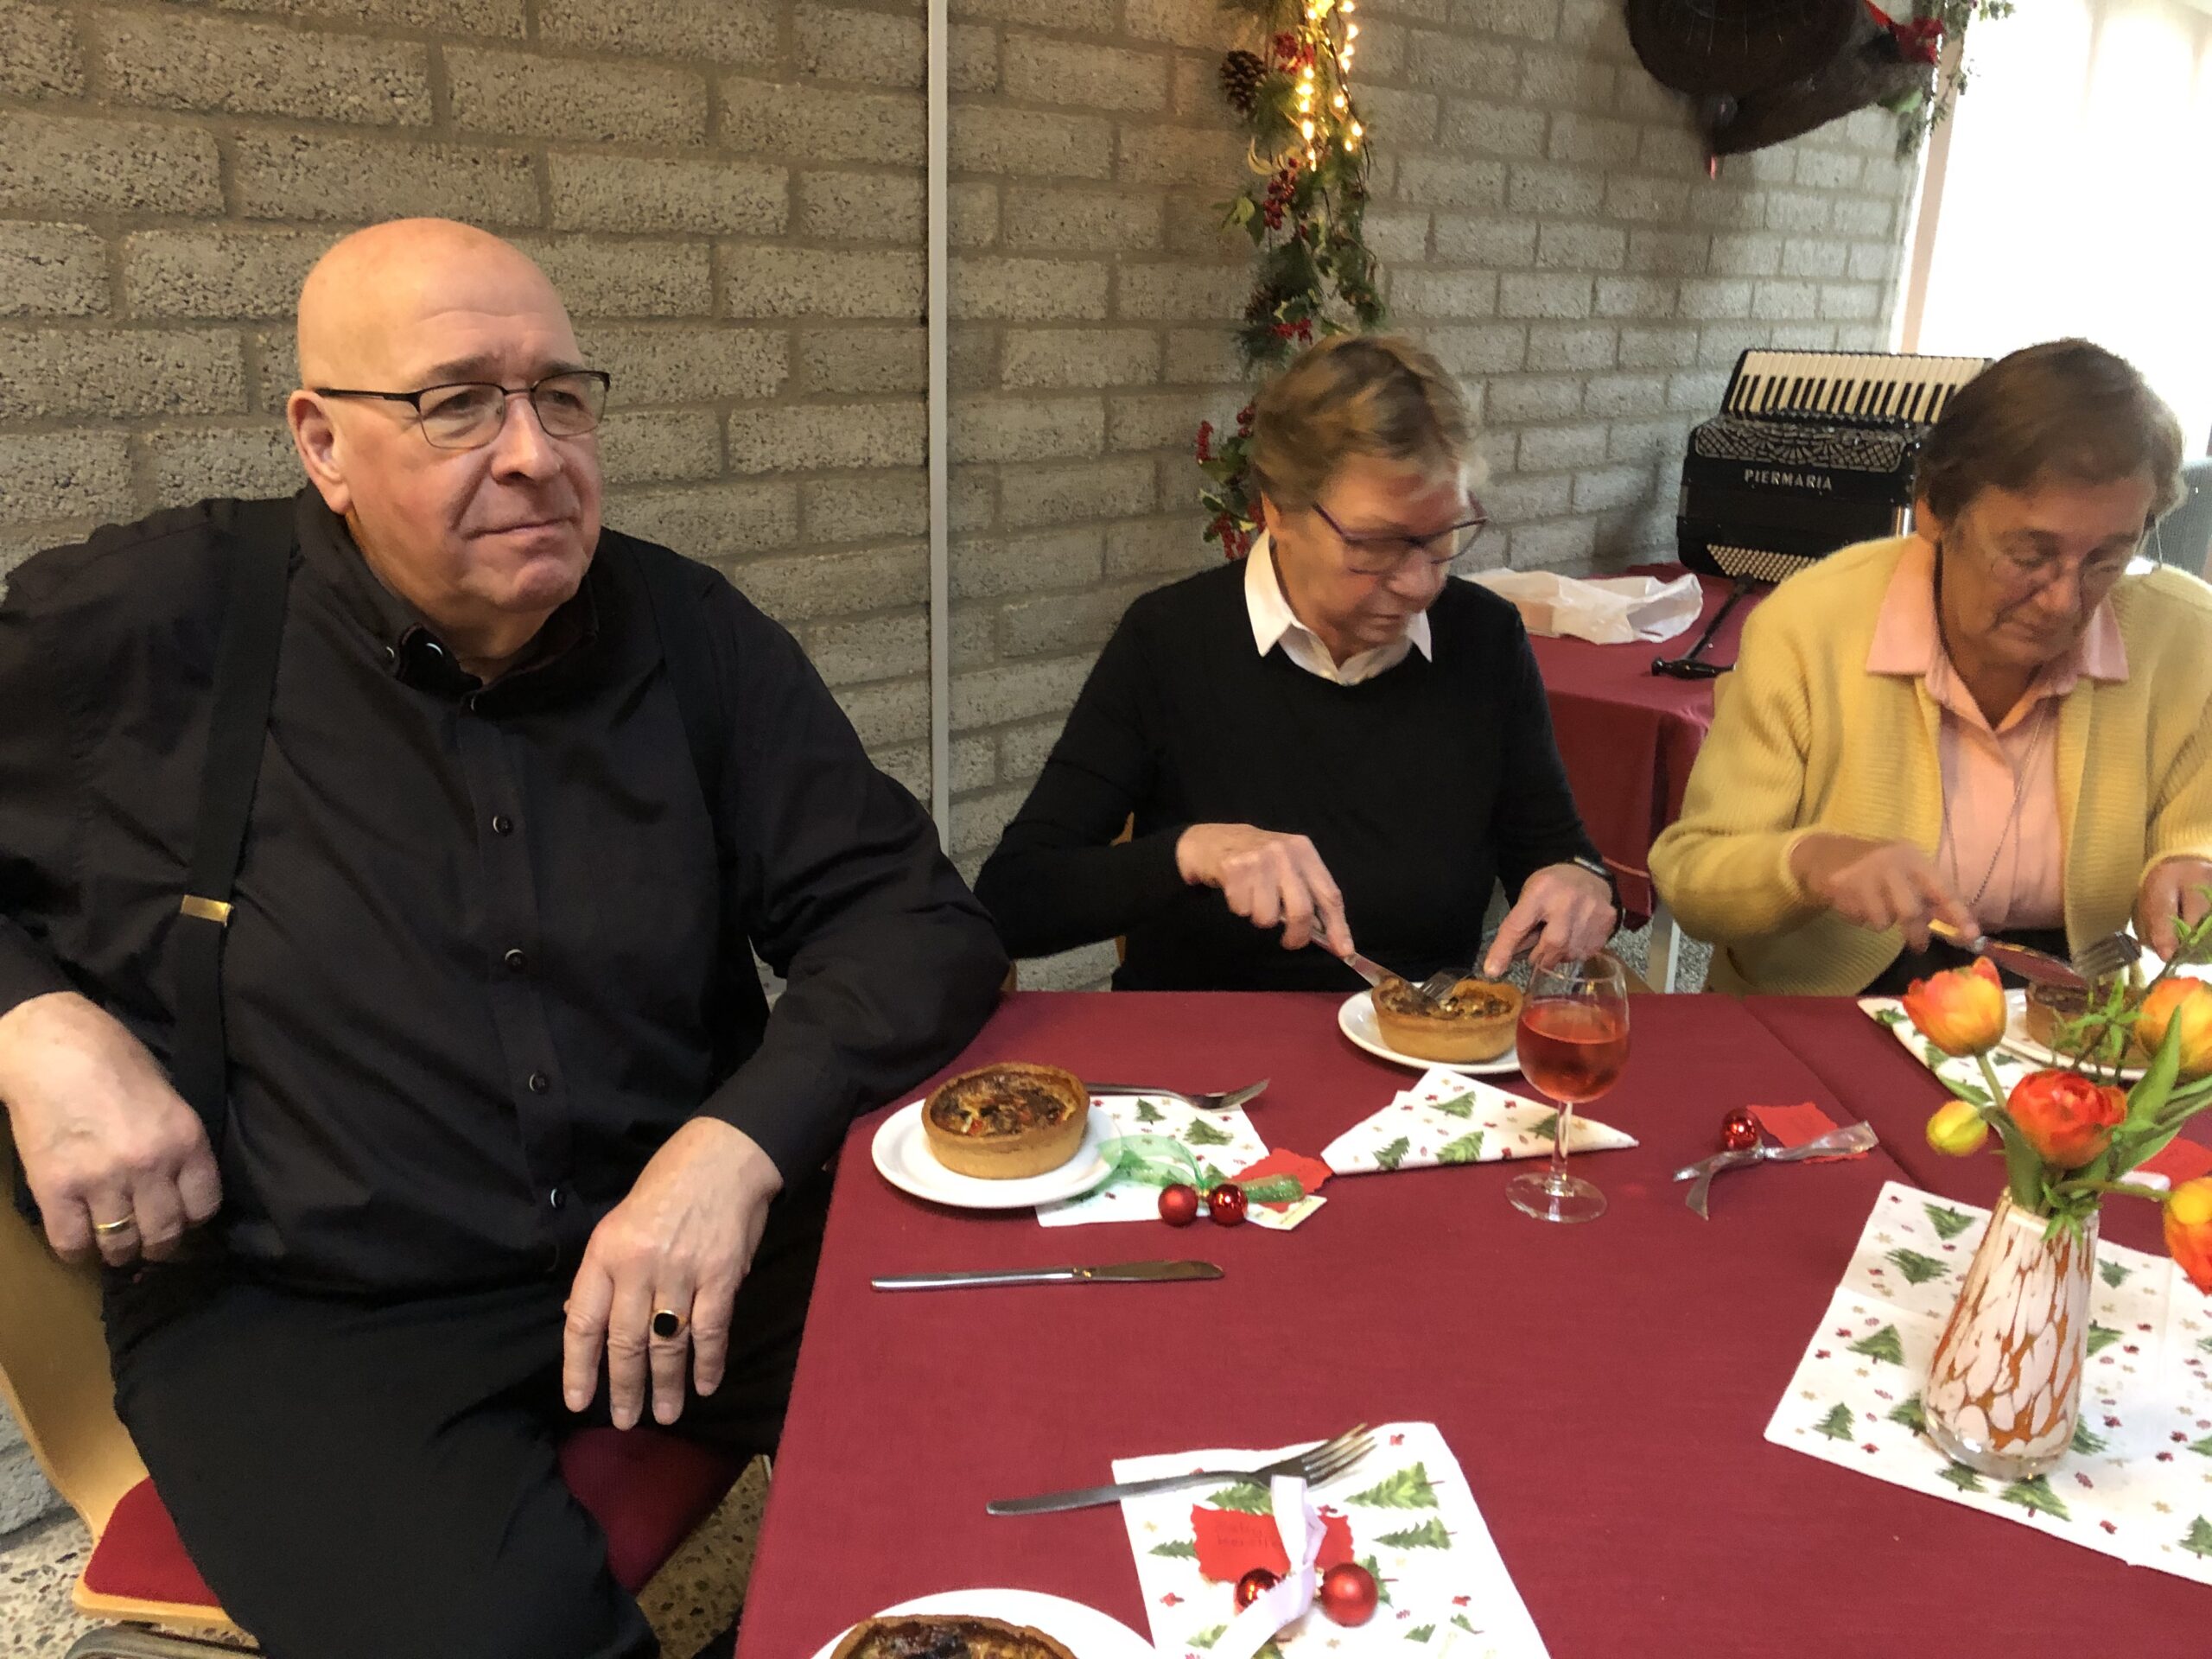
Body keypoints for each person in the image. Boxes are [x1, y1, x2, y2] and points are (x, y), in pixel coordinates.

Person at [0, 219, 1006, 1657]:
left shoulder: (689, 632)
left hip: (680, 1235)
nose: (536, 453)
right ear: (323, 443)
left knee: (1035, 1417)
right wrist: (33, 1022)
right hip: (312, 1302)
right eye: (459, 402)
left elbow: (913, 921)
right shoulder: (154, 624)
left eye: (563, 397)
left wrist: (734, 1150)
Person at [975, 334, 1618, 992]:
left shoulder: (1485, 640)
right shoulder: (1168, 641)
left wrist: (1581, 882)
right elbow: (1012, 900)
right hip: (1198, 1050)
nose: (1420, 584)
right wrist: (1189, 853)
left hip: (1418, 1047)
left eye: (1443, 536)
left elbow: (1561, 853)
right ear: (1276, 512)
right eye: (1376, 543)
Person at [1649, 339, 2212, 995]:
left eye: (2106, 560)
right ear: (1935, 512)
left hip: (2067, 1005)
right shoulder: (1812, 624)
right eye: (2030, 556)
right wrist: (1807, 862)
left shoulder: (2185, 639)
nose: (2064, 601)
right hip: (1826, 1002)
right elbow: (1693, 883)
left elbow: (2197, 846)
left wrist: (2190, 868)